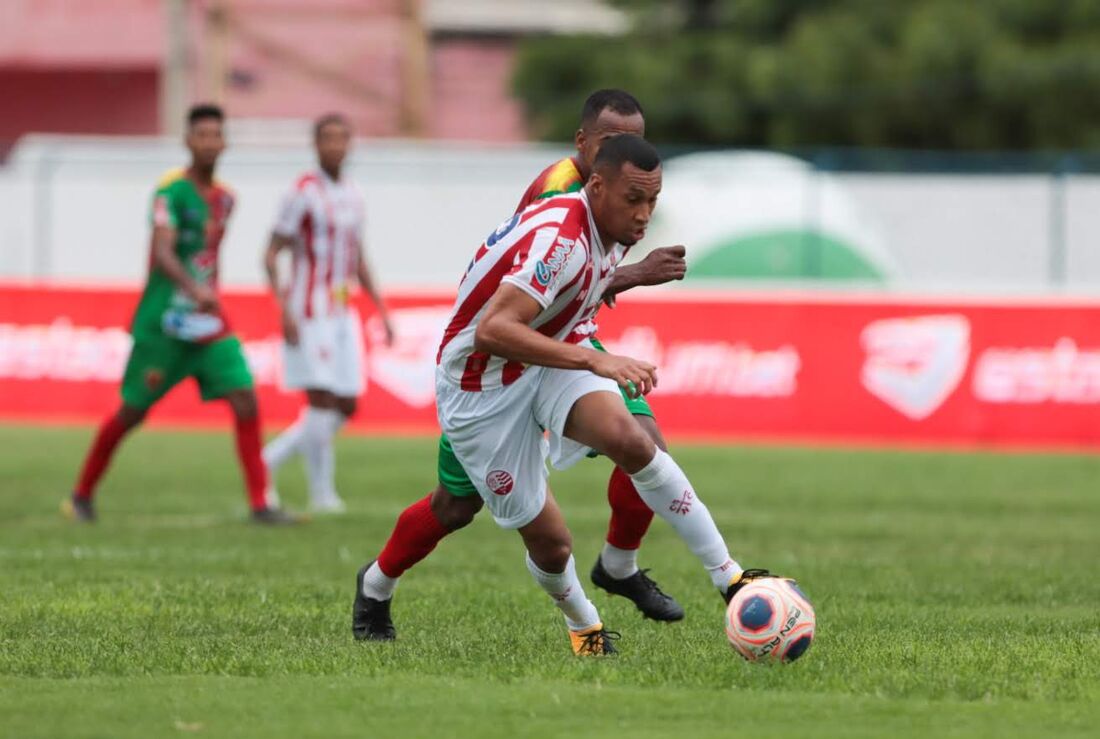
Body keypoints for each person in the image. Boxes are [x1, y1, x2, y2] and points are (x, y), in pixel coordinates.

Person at [355, 134, 773, 654]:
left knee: (635, 440)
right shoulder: (560, 235)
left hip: (550, 353)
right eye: (634, 200)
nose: (644, 215)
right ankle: (584, 626)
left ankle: (730, 579)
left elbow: (575, 286)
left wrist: (632, 277)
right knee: (545, 541)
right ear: (594, 178)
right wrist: (597, 358)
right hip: (482, 387)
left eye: (652, 201)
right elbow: (494, 329)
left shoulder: (609, 223)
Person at [64, 104, 294, 525]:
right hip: (164, 324)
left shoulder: (226, 199)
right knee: (132, 412)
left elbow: (207, 256)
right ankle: (81, 495)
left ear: (224, 142)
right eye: (201, 135)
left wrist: (206, 296)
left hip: (208, 325)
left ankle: (262, 504)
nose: (209, 142)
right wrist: (193, 290)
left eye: (216, 135)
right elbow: (163, 251)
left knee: (245, 398)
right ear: (188, 141)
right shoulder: (169, 192)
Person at [261, 113, 394, 513]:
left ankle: (268, 461)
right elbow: (270, 255)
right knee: (319, 400)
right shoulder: (302, 192)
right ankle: (322, 494)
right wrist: (283, 308)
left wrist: (382, 310)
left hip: (341, 310)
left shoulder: (353, 193)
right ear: (316, 145)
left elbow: (358, 257)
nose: (335, 146)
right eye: (328, 139)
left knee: (347, 403)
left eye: (342, 138)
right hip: (308, 309)